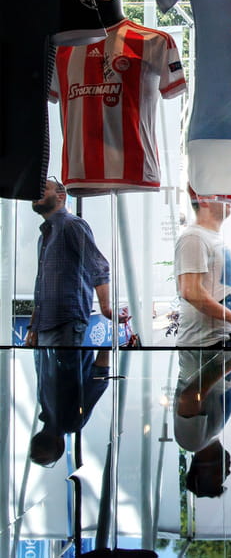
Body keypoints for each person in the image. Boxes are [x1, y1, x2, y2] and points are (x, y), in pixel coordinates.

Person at [24, 178, 120, 466]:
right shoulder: (47, 234)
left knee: (65, 368)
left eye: (43, 189)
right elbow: (42, 285)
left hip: (66, 322)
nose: (36, 195)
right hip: (49, 327)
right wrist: (33, 326)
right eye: (42, 452)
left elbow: (98, 265)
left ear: (62, 196)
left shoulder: (71, 225)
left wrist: (105, 308)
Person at [173, 186, 231, 497]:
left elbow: (190, 400)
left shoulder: (199, 439)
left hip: (216, 349)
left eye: (219, 478)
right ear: (203, 198)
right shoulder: (193, 237)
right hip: (205, 349)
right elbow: (190, 291)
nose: (227, 470)